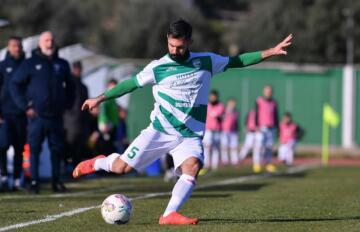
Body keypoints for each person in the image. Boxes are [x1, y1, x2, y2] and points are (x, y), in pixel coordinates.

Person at [72, 19, 292, 225]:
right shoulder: (158, 67)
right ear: (167, 40)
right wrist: (99, 98)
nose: (174, 51)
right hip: (159, 131)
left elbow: (238, 61)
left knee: (193, 166)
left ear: (189, 42)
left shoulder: (206, 61)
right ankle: (98, 162)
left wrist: (269, 52)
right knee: (121, 167)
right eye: (171, 45)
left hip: (189, 135)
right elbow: (129, 84)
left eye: (179, 46)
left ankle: (168, 214)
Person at [10, 31, 75, 193]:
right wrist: (25, 106)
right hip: (37, 116)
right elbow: (14, 84)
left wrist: (67, 104)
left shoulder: (62, 64)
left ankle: (57, 181)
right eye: (46, 40)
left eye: (52, 40)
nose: (49, 43)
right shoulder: (30, 63)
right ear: (40, 44)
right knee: (34, 149)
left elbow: (71, 87)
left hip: (56, 116)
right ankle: (34, 182)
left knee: (57, 149)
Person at [0, 36, 27, 191]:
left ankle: (17, 180)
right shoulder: (2, 66)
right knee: (2, 145)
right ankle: (3, 176)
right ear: (9, 47)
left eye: (19, 46)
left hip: (22, 114)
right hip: (5, 115)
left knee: (19, 148)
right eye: (14, 46)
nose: (17, 48)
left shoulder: (26, 65)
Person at [63, 61, 89, 169]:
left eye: (79, 68)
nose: (77, 71)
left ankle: (75, 169)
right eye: (75, 68)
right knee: (70, 145)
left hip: (80, 122)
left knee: (78, 146)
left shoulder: (83, 86)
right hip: (70, 122)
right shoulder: (68, 85)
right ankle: (68, 167)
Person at [254, 85, 279, 173]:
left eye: (269, 91)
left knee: (269, 146)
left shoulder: (274, 102)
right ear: (264, 92)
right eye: (266, 91)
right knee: (259, 146)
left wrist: (277, 127)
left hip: (271, 127)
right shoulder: (259, 101)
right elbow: (256, 114)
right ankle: (257, 163)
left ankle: (268, 163)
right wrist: (256, 125)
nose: (268, 93)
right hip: (261, 127)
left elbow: (276, 115)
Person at [203, 90, 224, 170]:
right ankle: (206, 164)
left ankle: (215, 166)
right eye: (211, 96)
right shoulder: (207, 105)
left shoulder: (220, 106)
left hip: (217, 130)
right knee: (207, 148)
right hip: (208, 130)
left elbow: (219, 116)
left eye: (214, 96)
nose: (213, 98)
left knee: (216, 148)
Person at [98, 79, 120, 154]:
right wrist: (104, 123)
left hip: (112, 125)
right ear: (108, 86)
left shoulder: (113, 97)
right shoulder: (107, 96)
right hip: (107, 126)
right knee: (106, 148)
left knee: (111, 146)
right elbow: (103, 110)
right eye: (113, 86)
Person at [221, 98, 239, 166]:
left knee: (234, 146)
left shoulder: (236, 112)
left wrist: (237, 130)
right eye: (231, 103)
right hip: (225, 131)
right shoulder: (224, 111)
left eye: (234, 103)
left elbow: (236, 122)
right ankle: (225, 160)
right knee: (224, 146)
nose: (233, 104)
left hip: (233, 131)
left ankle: (235, 161)